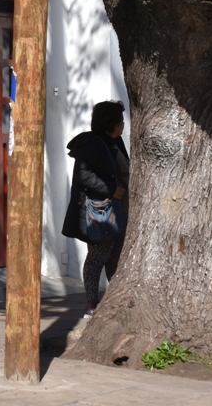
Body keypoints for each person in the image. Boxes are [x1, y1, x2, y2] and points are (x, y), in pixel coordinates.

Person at [61, 101, 129, 318]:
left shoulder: (115, 141)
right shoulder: (93, 144)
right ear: (111, 123)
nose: (124, 125)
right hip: (101, 211)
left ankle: (115, 301)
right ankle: (91, 303)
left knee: (115, 257)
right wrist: (111, 189)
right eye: (121, 120)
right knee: (98, 256)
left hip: (119, 210)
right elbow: (83, 175)